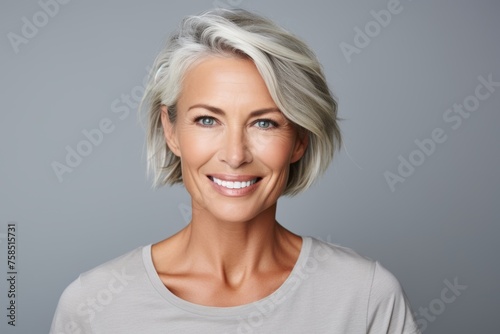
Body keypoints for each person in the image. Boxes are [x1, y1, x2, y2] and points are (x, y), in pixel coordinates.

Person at [50, 8, 420, 333]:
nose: (235, 154)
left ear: (300, 140)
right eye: (208, 119)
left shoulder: (366, 297)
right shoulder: (92, 306)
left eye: (265, 124)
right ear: (171, 131)